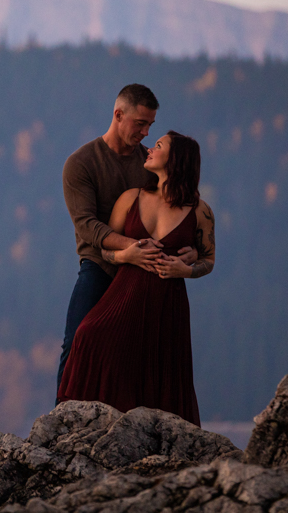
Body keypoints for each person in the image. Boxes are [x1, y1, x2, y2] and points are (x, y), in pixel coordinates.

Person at [57, 131, 215, 425]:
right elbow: (103, 250)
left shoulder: (200, 210)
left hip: (169, 302)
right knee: (86, 335)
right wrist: (126, 255)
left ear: (176, 159)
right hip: (124, 293)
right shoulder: (131, 198)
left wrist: (187, 271)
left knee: (163, 370)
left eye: (158, 145)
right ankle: (71, 421)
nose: (150, 148)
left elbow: (209, 259)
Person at [57, 85, 196, 398]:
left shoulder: (148, 164)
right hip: (99, 265)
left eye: (150, 126)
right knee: (79, 337)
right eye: (140, 124)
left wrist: (190, 249)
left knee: (141, 353)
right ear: (118, 115)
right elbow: (86, 225)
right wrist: (128, 250)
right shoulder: (81, 164)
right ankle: (60, 420)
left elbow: (173, 204)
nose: (146, 133)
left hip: (144, 268)